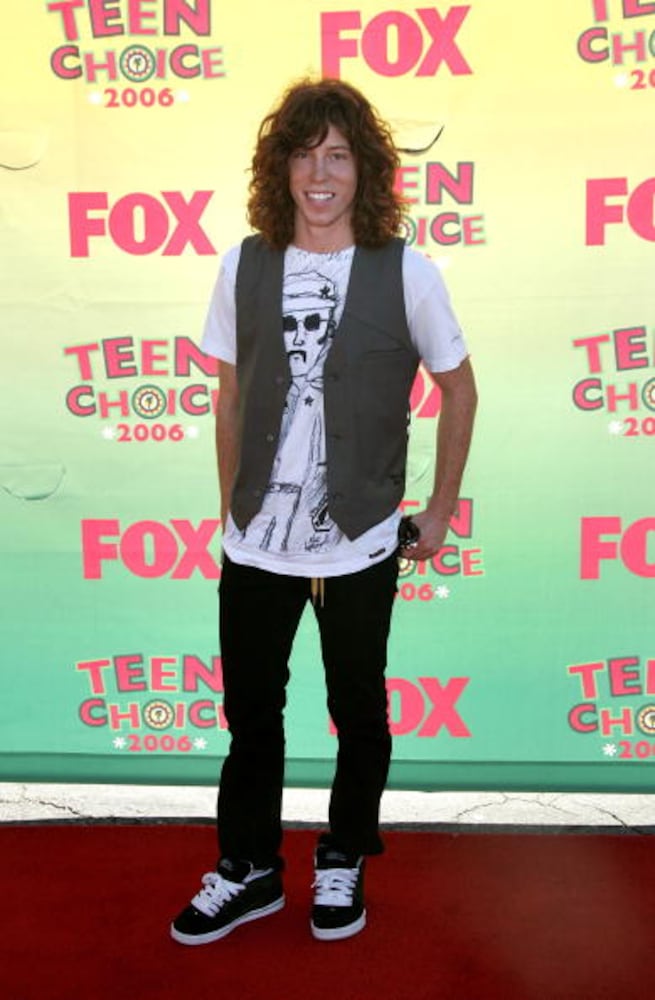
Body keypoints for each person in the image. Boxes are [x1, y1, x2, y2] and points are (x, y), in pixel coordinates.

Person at [171, 77, 477, 946]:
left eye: (338, 156)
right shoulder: (242, 265)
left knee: (360, 710)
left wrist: (440, 509)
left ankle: (342, 856)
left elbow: (458, 390)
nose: (319, 174)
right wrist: (231, 508)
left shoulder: (406, 270)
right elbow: (230, 394)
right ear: (280, 169)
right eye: (303, 155)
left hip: (361, 537)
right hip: (255, 541)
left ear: (364, 170)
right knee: (250, 714)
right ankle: (249, 867)